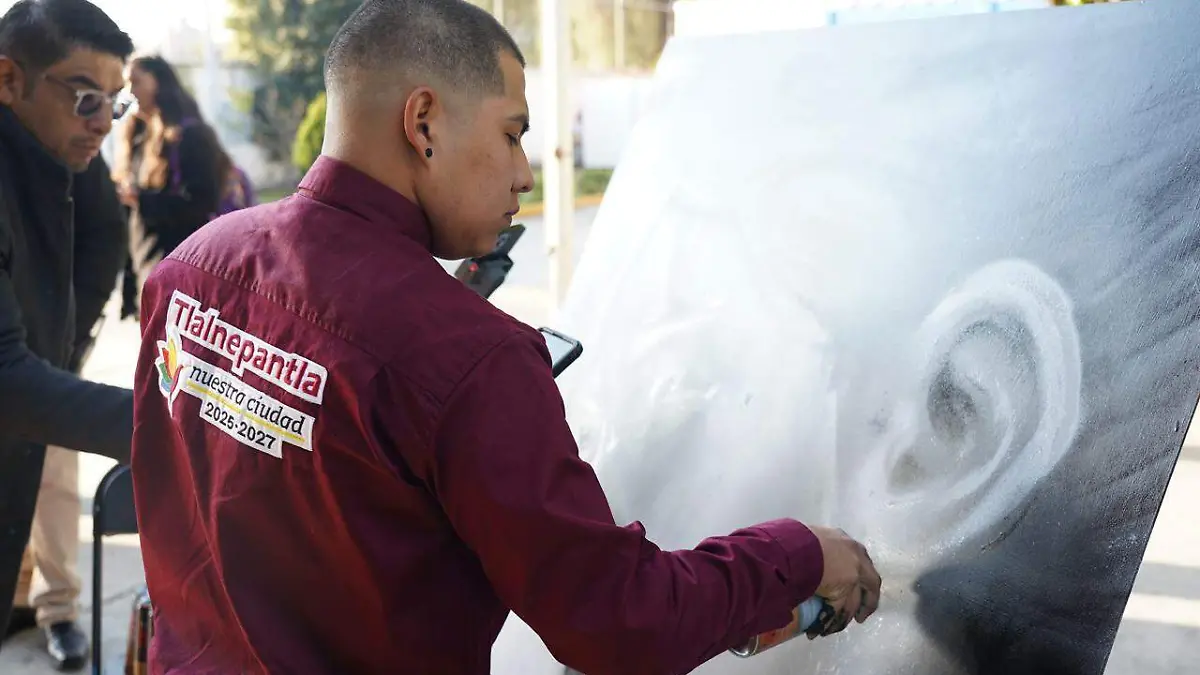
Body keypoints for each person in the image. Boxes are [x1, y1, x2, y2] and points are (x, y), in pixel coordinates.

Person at [131, 1, 881, 673]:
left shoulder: (192, 268)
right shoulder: (471, 358)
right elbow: (621, 623)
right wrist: (800, 553)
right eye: (513, 134)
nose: (525, 173)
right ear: (423, 122)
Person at [0, 0, 136, 661]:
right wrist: (179, 427)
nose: (105, 124)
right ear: (8, 80)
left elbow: (107, 237)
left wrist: (64, 339)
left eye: (117, 102)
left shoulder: (64, 158)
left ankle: (53, 605)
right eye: (86, 98)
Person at [113, 54, 251, 321]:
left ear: (160, 83)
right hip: (150, 274)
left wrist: (141, 199)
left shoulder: (190, 136)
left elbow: (200, 203)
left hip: (185, 278)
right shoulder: (138, 135)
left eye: (136, 81)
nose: (130, 92)